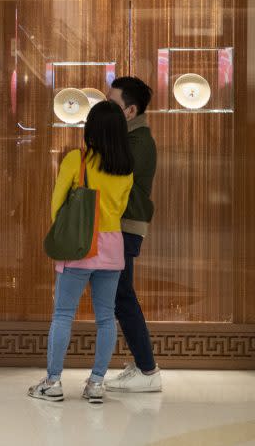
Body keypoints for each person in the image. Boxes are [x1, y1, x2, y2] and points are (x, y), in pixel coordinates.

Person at [29, 100, 134, 404]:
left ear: (92, 128)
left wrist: (64, 236)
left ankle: (53, 382)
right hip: (113, 247)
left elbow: (57, 202)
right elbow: (122, 208)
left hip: (79, 245)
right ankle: (97, 383)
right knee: (105, 318)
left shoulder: (77, 159)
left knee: (63, 314)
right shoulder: (126, 169)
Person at [106, 77, 161, 392]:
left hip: (126, 227)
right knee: (120, 296)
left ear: (129, 111)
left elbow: (115, 176)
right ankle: (143, 365)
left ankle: (148, 370)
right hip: (121, 225)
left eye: (111, 104)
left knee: (123, 296)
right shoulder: (130, 137)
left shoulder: (138, 142)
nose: (105, 108)